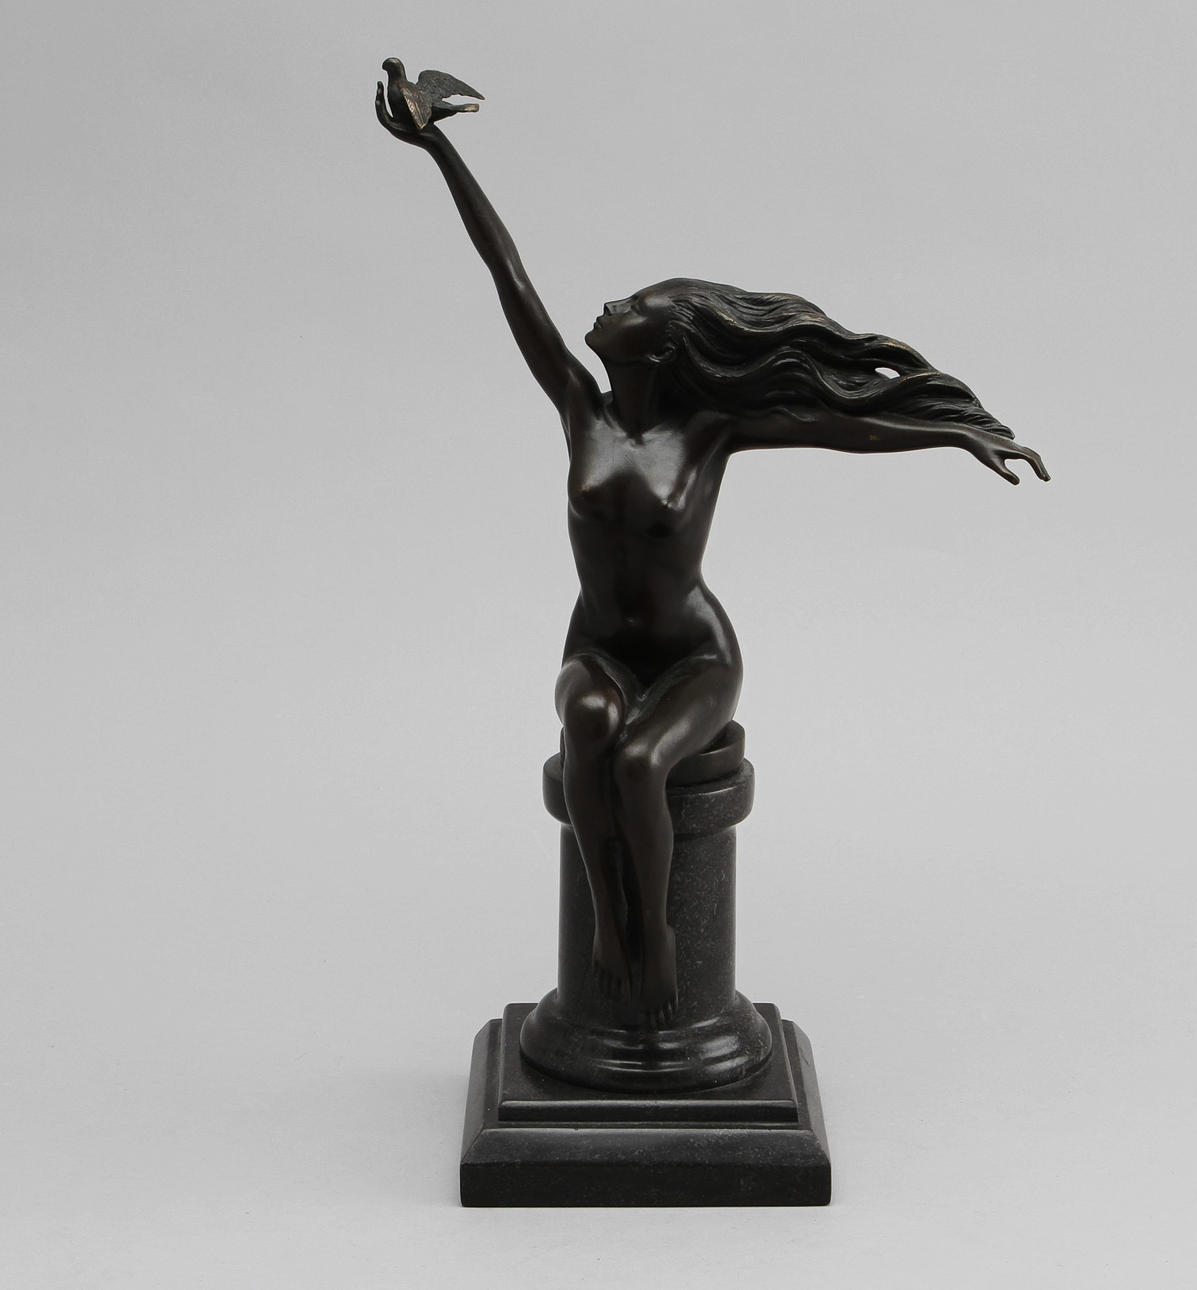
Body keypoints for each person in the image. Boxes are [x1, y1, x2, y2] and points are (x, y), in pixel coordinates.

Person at [376, 75, 1048, 1027]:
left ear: (662, 347)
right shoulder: (579, 408)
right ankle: (614, 931)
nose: (613, 302)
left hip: (696, 658)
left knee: (639, 764)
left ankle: (650, 938)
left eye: (638, 304)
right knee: (589, 723)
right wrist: (439, 149)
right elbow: (508, 275)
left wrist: (954, 430)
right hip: (598, 647)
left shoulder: (708, 430)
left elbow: (839, 423)